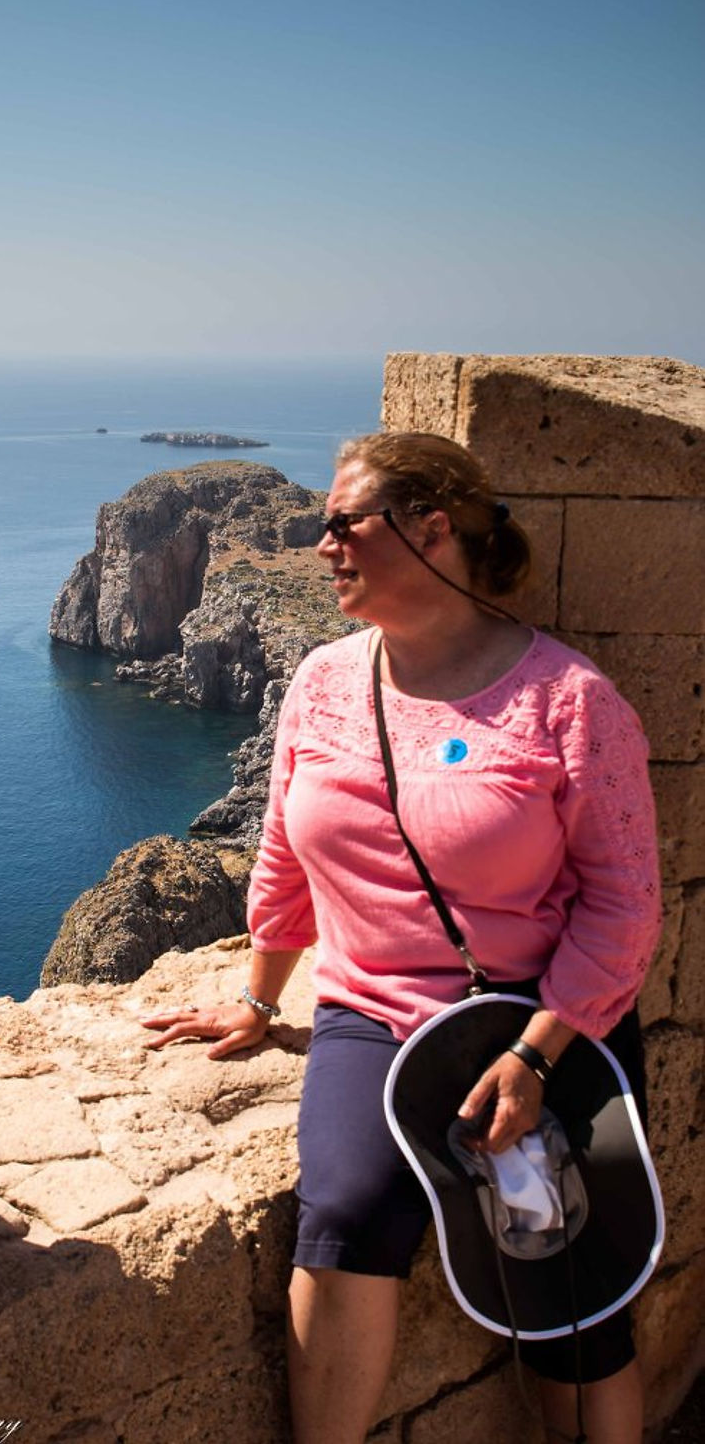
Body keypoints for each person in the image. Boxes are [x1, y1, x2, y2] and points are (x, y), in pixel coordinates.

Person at [142, 432, 661, 1444]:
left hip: (544, 1024)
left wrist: (530, 1055)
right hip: (371, 1019)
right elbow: (284, 858)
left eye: (342, 523)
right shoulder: (323, 683)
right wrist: (256, 998)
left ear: (429, 530)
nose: (321, 543)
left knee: (564, 1295)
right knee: (341, 1217)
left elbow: (622, 904)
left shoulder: (566, 702)